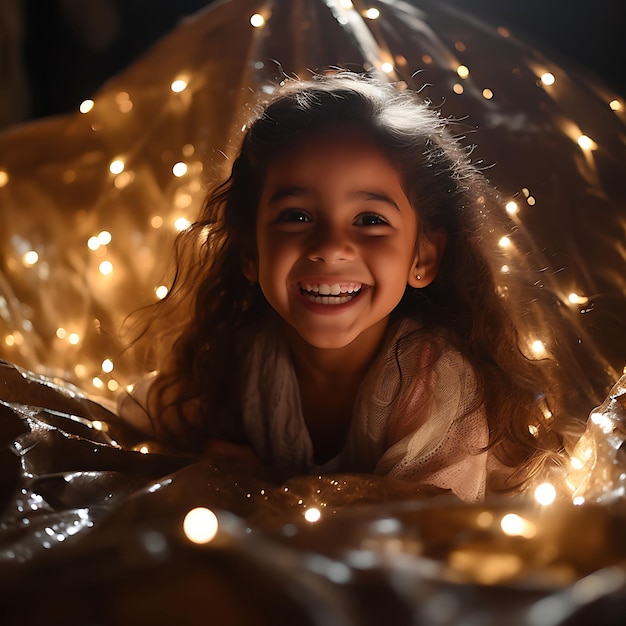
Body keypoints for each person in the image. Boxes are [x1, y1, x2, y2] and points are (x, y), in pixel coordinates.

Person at [119, 71, 566, 502]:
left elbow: (423, 535)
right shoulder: (245, 358)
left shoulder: (434, 381)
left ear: (423, 257)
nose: (331, 247)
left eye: (370, 220)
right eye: (296, 216)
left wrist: (255, 482)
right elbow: (139, 412)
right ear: (250, 253)